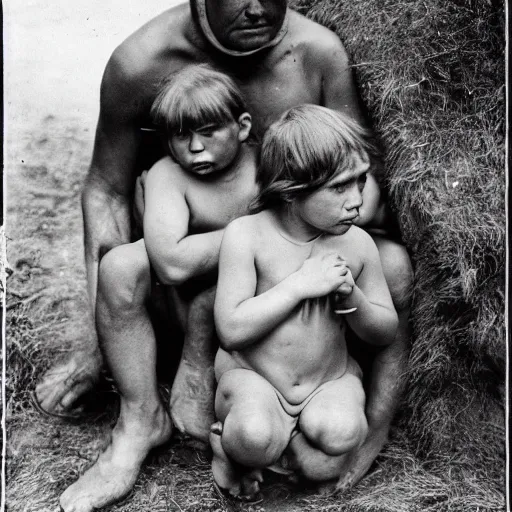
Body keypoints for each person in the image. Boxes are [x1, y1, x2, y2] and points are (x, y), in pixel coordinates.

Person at [36, 0, 412, 501]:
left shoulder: (319, 52)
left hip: (300, 246)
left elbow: (364, 176)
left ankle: (374, 419)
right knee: (122, 267)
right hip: (203, 250)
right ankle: (139, 418)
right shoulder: (142, 60)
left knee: (393, 264)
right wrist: (97, 346)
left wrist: (304, 228)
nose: (259, 7)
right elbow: (105, 189)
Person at [59, 64, 259, 512]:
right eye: (180, 136)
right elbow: (170, 262)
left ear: (243, 127)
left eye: (209, 131)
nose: (194, 147)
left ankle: (236, 423)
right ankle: (140, 417)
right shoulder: (170, 174)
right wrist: (253, 231)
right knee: (120, 266)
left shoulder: (267, 164)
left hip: (248, 315)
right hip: (176, 306)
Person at [210, 105, 399, 500]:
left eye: (360, 180)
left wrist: (354, 298)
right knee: (252, 436)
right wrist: (299, 285)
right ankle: (233, 448)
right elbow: (230, 329)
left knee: (338, 445)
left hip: (326, 382)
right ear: (291, 191)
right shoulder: (247, 236)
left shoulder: (357, 244)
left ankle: (288, 451)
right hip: (255, 378)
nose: (358, 201)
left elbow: (384, 332)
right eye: (339, 187)